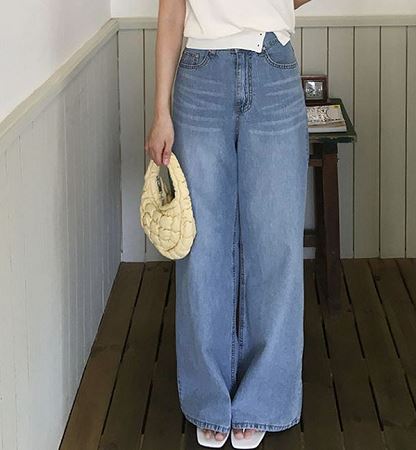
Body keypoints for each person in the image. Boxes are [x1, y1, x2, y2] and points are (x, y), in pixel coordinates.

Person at [145, 0, 312, 447]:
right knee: (203, 248)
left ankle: (263, 400)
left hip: (273, 66)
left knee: (276, 247)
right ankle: (209, 400)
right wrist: (160, 111)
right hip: (201, 72)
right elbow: (171, 11)